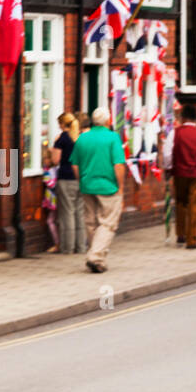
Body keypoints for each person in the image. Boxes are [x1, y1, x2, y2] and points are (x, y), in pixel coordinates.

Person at [69, 107, 126, 273]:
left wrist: (82, 182)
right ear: (108, 121)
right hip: (108, 186)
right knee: (108, 223)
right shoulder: (112, 138)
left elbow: (75, 165)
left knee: (91, 222)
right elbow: (118, 165)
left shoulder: (82, 139)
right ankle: (95, 256)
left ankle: (98, 259)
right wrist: (121, 187)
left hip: (87, 185)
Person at [162, 104, 196, 249]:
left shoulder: (175, 133)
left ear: (183, 118)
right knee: (195, 205)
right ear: (195, 119)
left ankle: (180, 234)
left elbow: (167, 153)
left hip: (179, 173)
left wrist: (168, 167)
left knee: (181, 202)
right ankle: (191, 240)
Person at [50, 112, 86, 254]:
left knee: (67, 214)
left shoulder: (62, 139)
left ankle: (68, 248)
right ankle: (81, 247)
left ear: (62, 124)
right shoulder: (80, 138)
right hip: (81, 178)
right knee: (80, 214)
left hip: (66, 178)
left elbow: (55, 160)